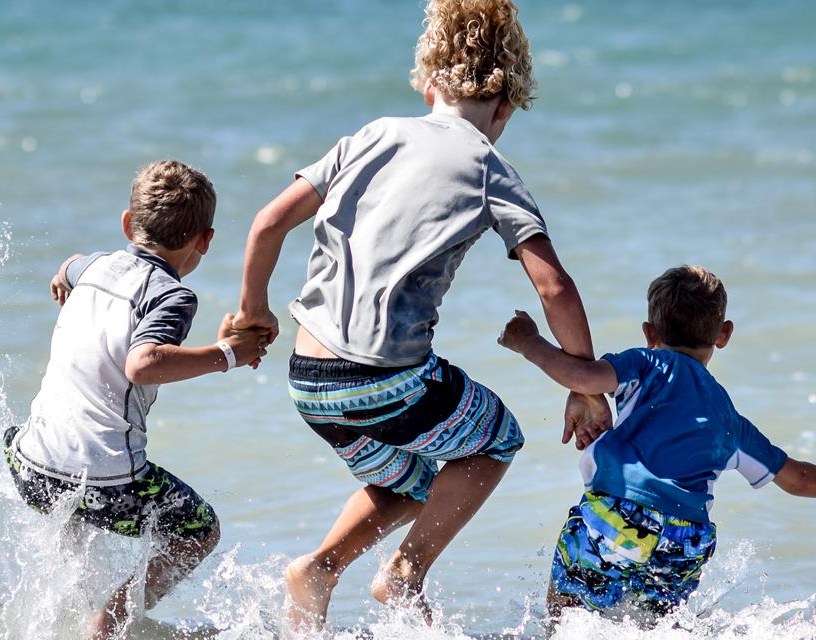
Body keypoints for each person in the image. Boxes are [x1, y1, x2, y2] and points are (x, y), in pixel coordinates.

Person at [230, 0, 612, 630]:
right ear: (507, 104)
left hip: (308, 376)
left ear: (429, 84)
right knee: (495, 439)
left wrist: (253, 313)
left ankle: (319, 569)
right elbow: (555, 288)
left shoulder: (372, 135)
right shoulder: (491, 167)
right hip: (384, 380)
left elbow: (267, 222)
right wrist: (581, 383)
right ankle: (404, 573)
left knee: (408, 484)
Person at [497, 265, 816, 623]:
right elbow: (796, 478)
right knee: (655, 626)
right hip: (684, 542)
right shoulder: (730, 419)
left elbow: (582, 376)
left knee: (565, 617)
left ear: (649, 331)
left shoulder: (646, 365)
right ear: (724, 334)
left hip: (617, 517)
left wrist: (528, 342)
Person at [6, 160, 271, 639]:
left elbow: (70, 263)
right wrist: (228, 354)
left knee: (60, 481)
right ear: (205, 240)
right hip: (106, 480)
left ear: (128, 225)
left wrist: (63, 274)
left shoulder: (95, 267)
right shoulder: (171, 295)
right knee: (198, 531)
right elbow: (144, 363)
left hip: (29, 466)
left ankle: (68, 606)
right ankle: (106, 624)